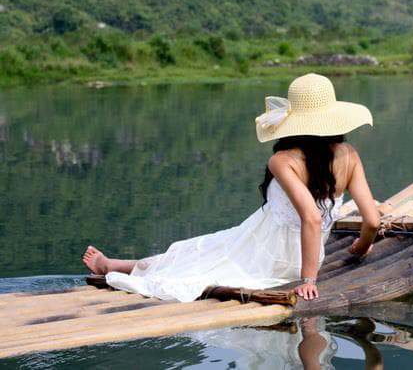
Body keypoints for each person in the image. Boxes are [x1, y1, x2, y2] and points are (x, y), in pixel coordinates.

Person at [82, 73, 380, 302]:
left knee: (192, 257)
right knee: (195, 255)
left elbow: (311, 218)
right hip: (305, 259)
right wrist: (361, 247)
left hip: (265, 255)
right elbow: (372, 221)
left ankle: (111, 264)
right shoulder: (350, 155)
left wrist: (309, 281)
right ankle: (114, 264)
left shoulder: (282, 160)